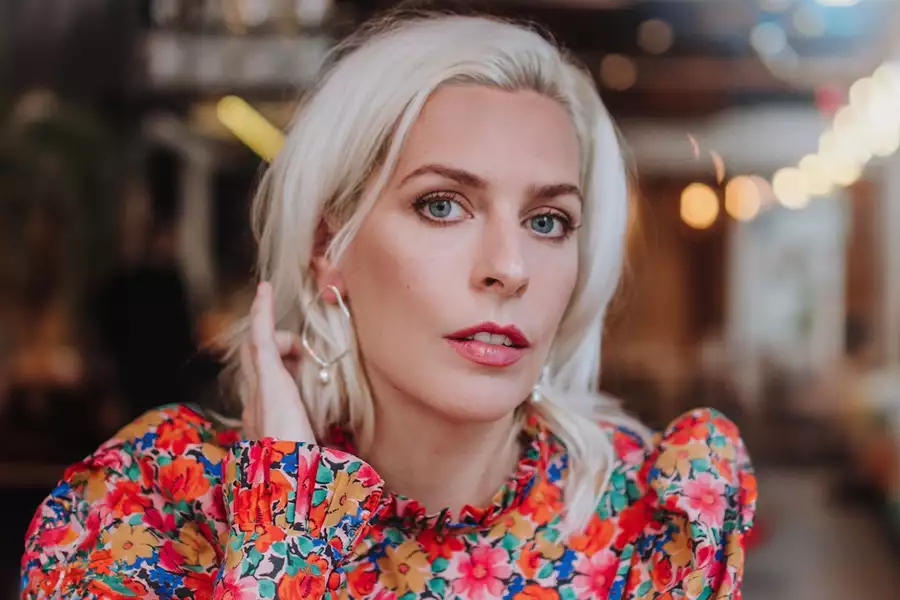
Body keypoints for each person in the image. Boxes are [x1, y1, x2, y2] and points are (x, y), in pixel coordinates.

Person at [20, 12, 756, 599]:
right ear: (327, 244)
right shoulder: (151, 503)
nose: (509, 267)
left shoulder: (649, 525)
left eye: (547, 221)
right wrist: (289, 521)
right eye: (443, 205)